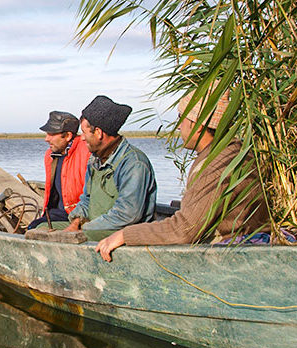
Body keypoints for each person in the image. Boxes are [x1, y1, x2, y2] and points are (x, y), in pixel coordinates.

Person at [94, 88, 270, 261]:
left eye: (181, 118)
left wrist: (125, 235)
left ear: (197, 125)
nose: (179, 126)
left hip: (229, 254)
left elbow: (185, 229)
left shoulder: (217, 165)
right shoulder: (231, 151)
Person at [62, 95, 157, 240]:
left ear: (98, 133)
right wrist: (76, 222)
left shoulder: (134, 163)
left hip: (121, 233)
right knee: (41, 228)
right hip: (94, 227)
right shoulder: (94, 160)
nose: (81, 138)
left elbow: (128, 214)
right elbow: (86, 199)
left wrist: (85, 229)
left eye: (84, 132)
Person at [27, 111, 91, 229]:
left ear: (68, 136)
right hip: (58, 212)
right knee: (32, 227)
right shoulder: (50, 156)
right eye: (47, 134)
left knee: (38, 229)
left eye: (51, 134)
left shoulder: (86, 151)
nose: (46, 139)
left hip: (78, 213)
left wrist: (78, 219)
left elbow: (91, 194)